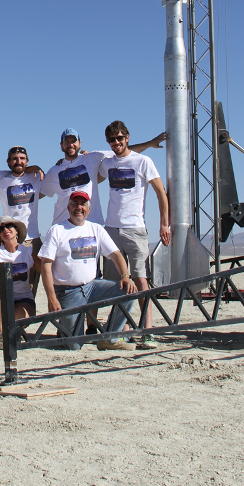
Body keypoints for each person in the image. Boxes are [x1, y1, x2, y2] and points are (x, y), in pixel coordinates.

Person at [97, 120, 171, 349]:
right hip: (111, 228)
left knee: (140, 279)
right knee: (117, 281)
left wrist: (164, 224)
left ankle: (147, 330)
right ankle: (123, 330)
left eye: (120, 138)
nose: (117, 143)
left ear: (127, 137)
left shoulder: (143, 162)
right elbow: (90, 173)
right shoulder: (107, 163)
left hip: (135, 228)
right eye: (112, 140)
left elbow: (161, 193)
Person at [38, 191, 138, 350]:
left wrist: (125, 276)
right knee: (74, 346)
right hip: (68, 292)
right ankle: (65, 327)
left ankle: (109, 337)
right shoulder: (57, 230)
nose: (79, 207)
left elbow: (116, 254)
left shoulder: (96, 229)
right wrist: (51, 297)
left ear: (88, 209)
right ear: (68, 207)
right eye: (75, 203)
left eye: (83, 204)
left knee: (129, 291)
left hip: (92, 286)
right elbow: (45, 264)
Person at [39, 127, 166, 228]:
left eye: (73, 141)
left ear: (80, 143)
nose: (70, 145)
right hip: (62, 227)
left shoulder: (92, 158)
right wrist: (31, 169)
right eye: (67, 142)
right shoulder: (55, 171)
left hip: (90, 225)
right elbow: (38, 194)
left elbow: (122, 151)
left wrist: (149, 144)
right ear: (61, 145)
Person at [0, 215, 38, 350]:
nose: (5, 229)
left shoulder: (27, 252)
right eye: (1, 229)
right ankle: (0, 334)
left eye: (9, 226)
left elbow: (46, 269)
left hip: (23, 299)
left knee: (19, 317)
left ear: (17, 231)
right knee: (3, 284)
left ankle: (9, 329)